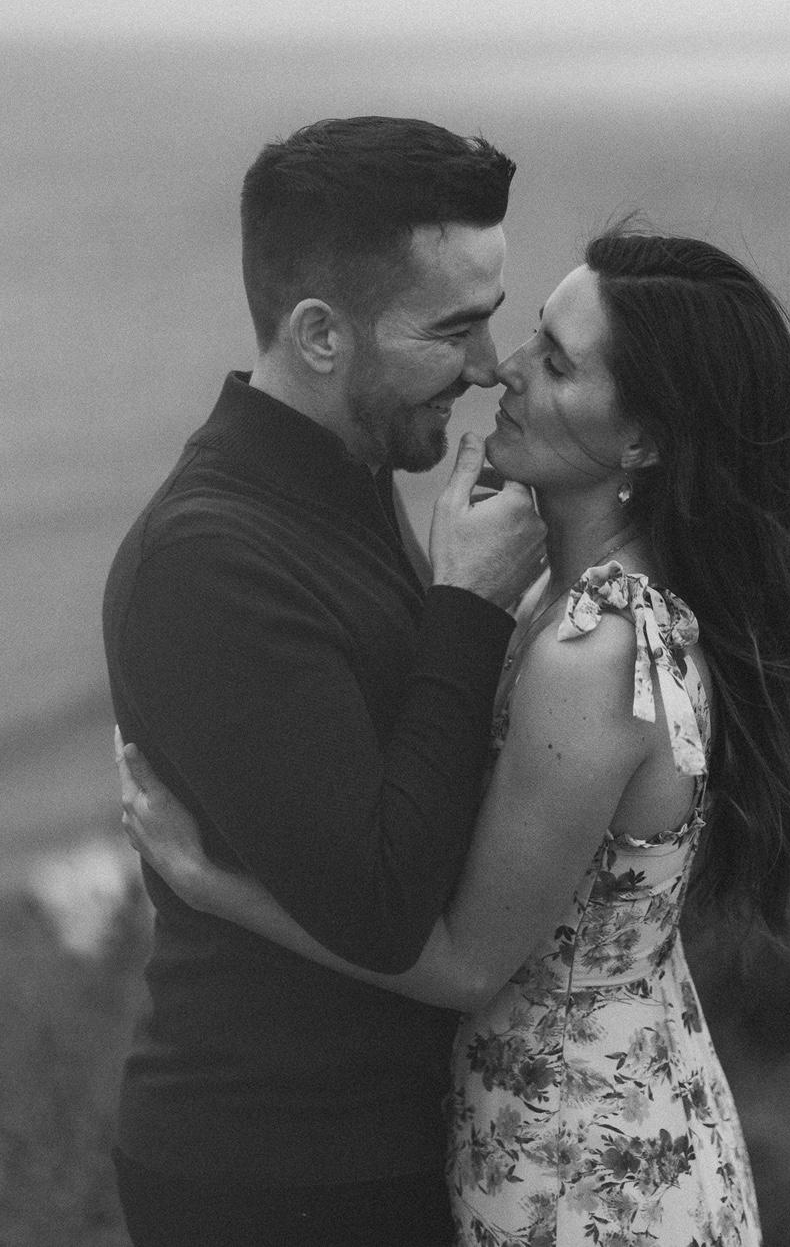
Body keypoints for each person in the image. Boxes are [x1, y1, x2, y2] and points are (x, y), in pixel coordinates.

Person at [119, 229, 790, 1245]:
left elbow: (465, 965)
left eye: (558, 364)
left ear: (642, 442)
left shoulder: (591, 653)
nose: (504, 370)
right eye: (533, 336)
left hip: (581, 1173)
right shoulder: (568, 602)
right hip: (613, 1121)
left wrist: (215, 885)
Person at [101, 115, 547, 1247]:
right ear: (317, 334)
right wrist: (468, 609)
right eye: (452, 329)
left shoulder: (348, 475)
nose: (489, 367)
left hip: (386, 1140)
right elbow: (384, 907)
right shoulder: (208, 562)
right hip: (273, 1172)